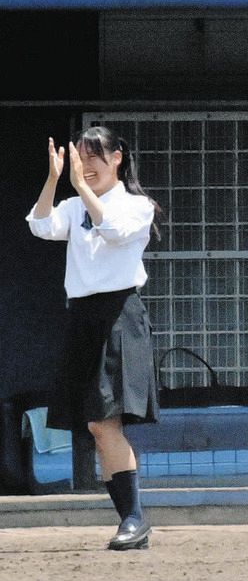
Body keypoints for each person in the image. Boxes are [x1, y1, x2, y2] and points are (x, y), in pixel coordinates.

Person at [27, 126, 161, 551]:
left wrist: (83, 191)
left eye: (95, 157)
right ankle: (131, 520)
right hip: (82, 315)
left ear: (117, 157)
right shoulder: (71, 203)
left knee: (105, 421)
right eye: (80, 158)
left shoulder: (137, 206)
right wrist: (53, 179)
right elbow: (40, 225)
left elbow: (115, 231)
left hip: (119, 314)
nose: (86, 166)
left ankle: (134, 519)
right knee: (94, 424)